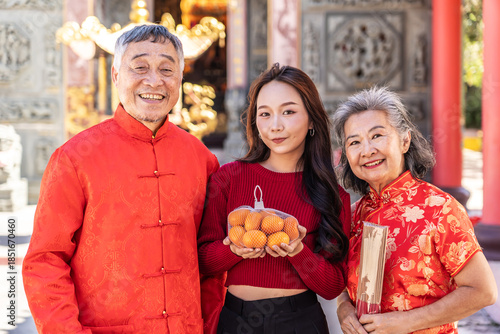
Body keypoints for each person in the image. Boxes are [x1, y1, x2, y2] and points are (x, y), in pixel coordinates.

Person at [22, 24, 219, 333]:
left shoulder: (201, 158)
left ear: (180, 79)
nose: (154, 80)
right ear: (116, 75)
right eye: (139, 67)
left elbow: (212, 261)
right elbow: (46, 260)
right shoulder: (75, 158)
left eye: (167, 69)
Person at [198, 63, 351, 334]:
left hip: (300, 321)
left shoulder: (330, 195)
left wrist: (298, 251)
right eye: (265, 114)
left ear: (312, 119)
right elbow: (203, 261)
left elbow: (332, 286)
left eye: (288, 112)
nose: (275, 126)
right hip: (235, 321)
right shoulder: (228, 178)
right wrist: (233, 249)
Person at [332, 86, 498, 334]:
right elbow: (343, 285)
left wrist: (406, 322)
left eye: (377, 136)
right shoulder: (353, 215)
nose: (367, 150)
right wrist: (344, 310)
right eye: (354, 142)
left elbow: (483, 291)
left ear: (405, 140)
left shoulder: (440, 209)